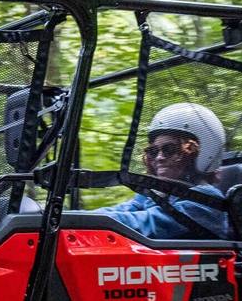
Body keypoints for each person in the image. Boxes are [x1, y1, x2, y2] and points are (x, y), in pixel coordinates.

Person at [97, 102, 231, 239]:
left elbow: (147, 224)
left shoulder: (207, 200)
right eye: (153, 151)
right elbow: (125, 209)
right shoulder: (161, 191)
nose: (159, 158)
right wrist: (78, 216)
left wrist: (90, 222)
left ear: (196, 152)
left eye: (170, 150)